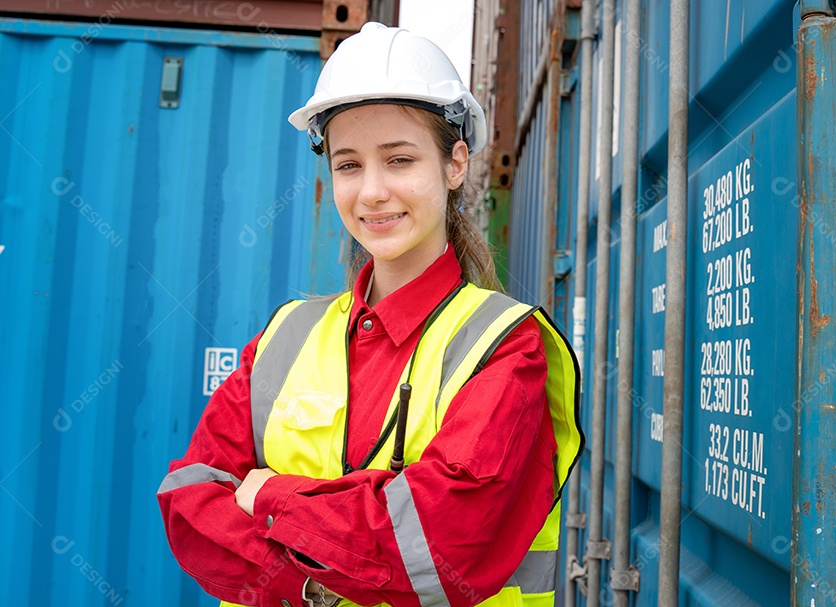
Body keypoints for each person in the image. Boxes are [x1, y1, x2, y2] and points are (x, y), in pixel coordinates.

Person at [157, 22, 583, 607]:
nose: (372, 192)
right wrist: (313, 581)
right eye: (349, 165)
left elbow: (436, 544)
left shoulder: (506, 346)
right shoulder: (283, 339)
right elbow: (189, 499)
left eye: (400, 159)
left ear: (455, 164)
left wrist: (273, 495)